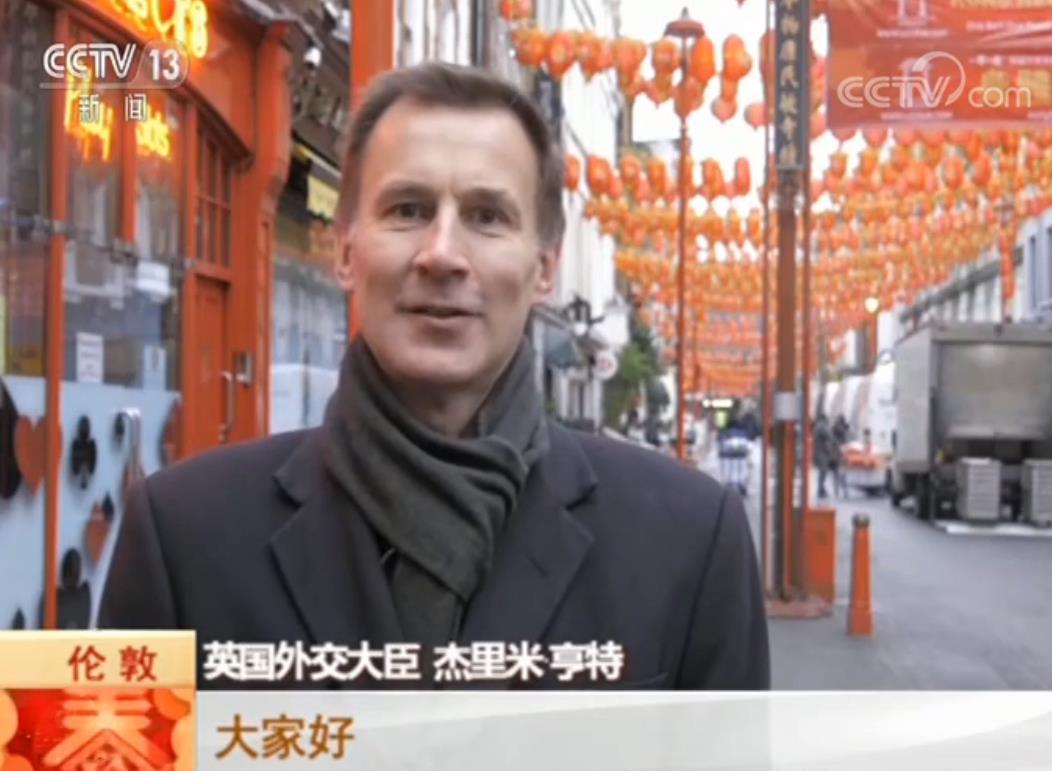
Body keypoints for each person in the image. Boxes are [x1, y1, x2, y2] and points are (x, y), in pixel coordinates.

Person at [99, 62, 769, 690]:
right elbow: (94, 747)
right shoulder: (179, 533)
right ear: (346, 249)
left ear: (544, 268)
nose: (442, 254)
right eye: (408, 210)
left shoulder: (691, 539)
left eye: (487, 217)